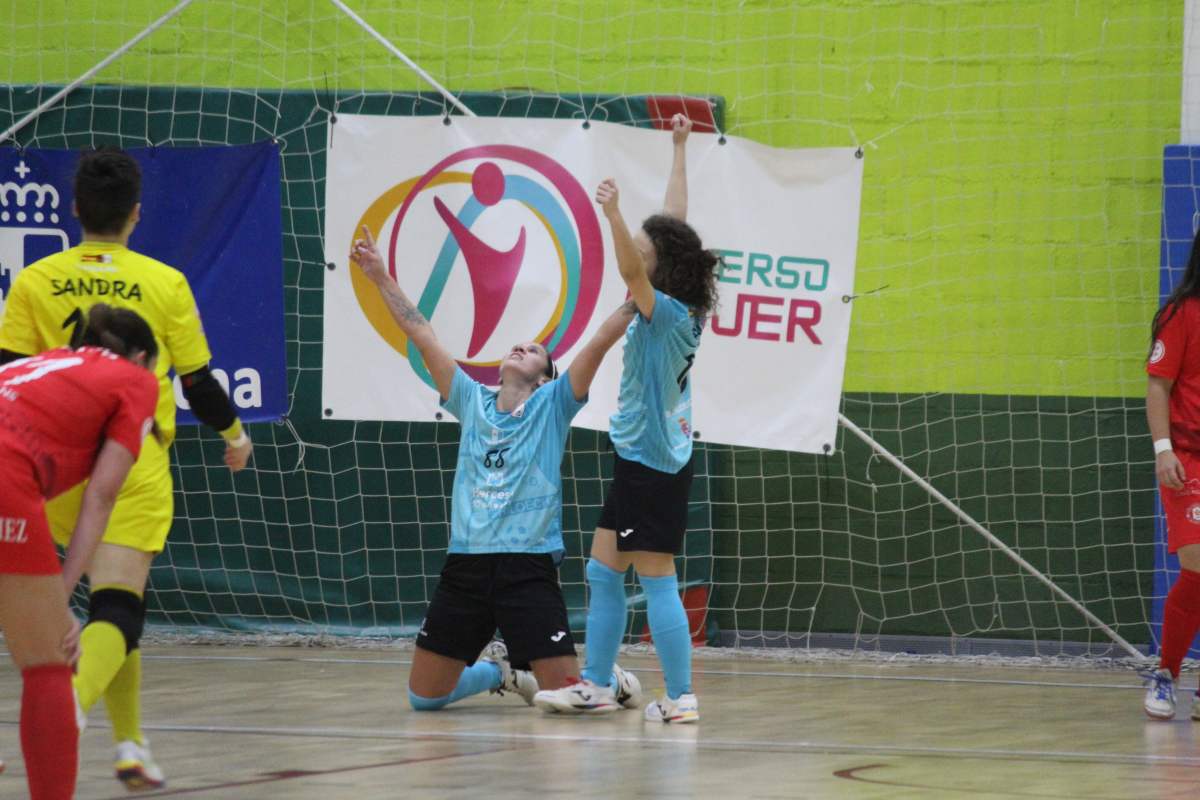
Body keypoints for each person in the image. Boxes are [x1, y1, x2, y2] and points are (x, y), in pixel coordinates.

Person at [0, 147, 253, 789]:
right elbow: (195, 380)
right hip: (129, 457)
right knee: (116, 606)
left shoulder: (36, 279)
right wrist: (234, 433)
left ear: (76, 208)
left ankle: (131, 744)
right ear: (136, 215)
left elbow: (9, 368)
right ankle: (71, 713)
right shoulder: (164, 281)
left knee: (110, 611)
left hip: (44, 462)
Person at [350, 224, 638, 714]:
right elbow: (421, 332)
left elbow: (598, 344)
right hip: (466, 564)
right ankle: (500, 671)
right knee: (423, 697)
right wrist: (380, 275)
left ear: (546, 376)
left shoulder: (552, 405)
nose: (520, 347)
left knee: (570, 695)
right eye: (517, 345)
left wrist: (638, 298)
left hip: (527, 565)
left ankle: (607, 676)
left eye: (534, 350)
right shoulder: (469, 398)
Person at [533, 115, 719, 723]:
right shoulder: (678, 302)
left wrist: (611, 216)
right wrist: (680, 148)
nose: (639, 241)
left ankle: (682, 697)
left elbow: (632, 270)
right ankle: (594, 683)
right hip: (646, 454)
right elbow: (677, 221)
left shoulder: (661, 310)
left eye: (645, 241)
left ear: (659, 266)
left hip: (652, 462)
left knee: (657, 577)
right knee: (600, 569)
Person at [0, 304, 159, 800]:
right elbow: (102, 495)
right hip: (6, 472)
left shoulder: (36, 365)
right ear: (140, 357)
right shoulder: (136, 381)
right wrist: (62, 596)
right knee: (51, 662)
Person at [1143, 227, 1200, 721]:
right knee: (1198, 560)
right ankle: (1166, 673)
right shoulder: (1183, 314)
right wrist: (1164, 450)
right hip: (1189, 458)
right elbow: (1158, 386)